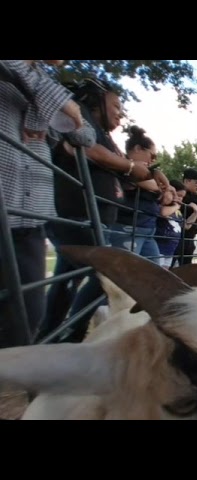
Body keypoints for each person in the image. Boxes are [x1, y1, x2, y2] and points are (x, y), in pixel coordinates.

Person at [43, 78, 154, 342]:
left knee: (65, 282)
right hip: (75, 215)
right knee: (109, 275)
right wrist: (129, 167)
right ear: (96, 100)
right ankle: (70, 336)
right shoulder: (79, 116)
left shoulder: (106, 135)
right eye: (116, 105)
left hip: (91, 218)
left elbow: (124, 171)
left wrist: (149, 174)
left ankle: (51, 335)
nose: (120, 113)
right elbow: (88, 149)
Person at [0, 60, 94, 347]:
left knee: (29, 315)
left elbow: (84, 134)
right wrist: (60, 105)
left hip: (31, 217)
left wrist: (58, 114)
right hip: (7, 202)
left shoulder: (40, 83)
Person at [110, 126, 165, 263]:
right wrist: (162, 187)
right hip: (128, 228)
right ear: (138, 149)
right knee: (123, 275)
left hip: (145, 230)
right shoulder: (123, 165)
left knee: (155, 273)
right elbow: (153, 185)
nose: (153, 160)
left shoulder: (131, 166)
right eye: (152, 155)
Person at [155, 180, 197, 268]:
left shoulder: (177, 211)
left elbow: (186, 226)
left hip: (170, 250)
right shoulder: (166, 206)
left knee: (164, 274)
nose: (180, 199)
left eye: (182, 197)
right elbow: (163, 212)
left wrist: (195, 213)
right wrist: (176, 206)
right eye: (178, 195)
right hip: (160, 248)